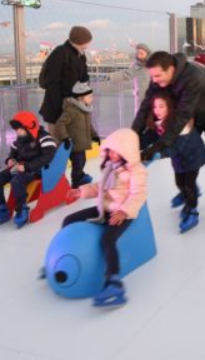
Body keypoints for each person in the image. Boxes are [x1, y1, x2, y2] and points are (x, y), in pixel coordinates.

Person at [132, 51, 205, 224]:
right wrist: (133, 135)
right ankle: (189, 190)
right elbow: (146, 106)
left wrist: (158, 146)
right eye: (152, 76)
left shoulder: (192, 77)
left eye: (158, 75)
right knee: (182, 153)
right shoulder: (159, 78)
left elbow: (182, 115)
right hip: (192, 113)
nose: (155, 80)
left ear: (171, 69)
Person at [63, 128, 148, 307]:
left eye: (115, 150)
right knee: (68, 220)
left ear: (127, 151)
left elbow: (138, 195)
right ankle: (64, 256)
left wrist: (124, 211)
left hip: (122, 213)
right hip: (104, 209)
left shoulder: (137, 171)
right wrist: (80, 192)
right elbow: (98, 188)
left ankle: (114, 282)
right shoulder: (110, 168)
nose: (111, 153)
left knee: (107, 239)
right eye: (109, 149)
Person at [140, 91, 205, 233]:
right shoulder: (158, 121)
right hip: (179, 159)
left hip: (192, 156)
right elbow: (149, 137)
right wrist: (133, 146)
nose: (157, 110)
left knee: (188, 184)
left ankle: (193, 212)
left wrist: (158, 155)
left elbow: (176, 148)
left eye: (161, 107)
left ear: (170, 107)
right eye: (155, 107)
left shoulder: (180, 124)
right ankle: (190, 193)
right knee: (179, 182)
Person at [0, 111, 58, 229]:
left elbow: (49, 157)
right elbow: (13, 153)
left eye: (20, 129)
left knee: (17, 180)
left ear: (30, 126)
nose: (17, 132)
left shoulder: (45, 137)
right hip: (20, 167)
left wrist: (28, 167)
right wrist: (10, 160)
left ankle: (21, 208)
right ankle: (1, 208)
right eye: (16, 129)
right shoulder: (19, 139)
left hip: (37, 169)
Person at [39, 26, 91, 130]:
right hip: (58, 110)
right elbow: (52, 82)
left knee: (73, 142)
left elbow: (84, 75)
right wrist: (61, 108)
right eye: (87, 42)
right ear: (79, 41)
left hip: (74, 107)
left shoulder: (80, 54)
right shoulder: (60, 53)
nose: (88, 45)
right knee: (59, 140)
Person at [50, 81, 101, 189]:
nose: (92, 98)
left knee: (82, 161)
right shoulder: (72, 110)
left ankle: (80, 177)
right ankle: (76, 182)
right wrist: (65, 138)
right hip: (73, 144)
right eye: (89, 96)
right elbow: (60, 124)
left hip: (80, 144)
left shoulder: (84, 109)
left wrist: (94, 136)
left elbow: (89, 126)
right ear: (80, 98)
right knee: (78, 163)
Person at [125, 43, 152, 115]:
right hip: (139, 97)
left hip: (153, 96)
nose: (139, 55)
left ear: (147, 53)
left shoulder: (153, 64)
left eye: (141, 53)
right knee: (140, 117)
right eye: (137, 53)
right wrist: (135, 91)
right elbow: (127, 76)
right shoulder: (134, 65)